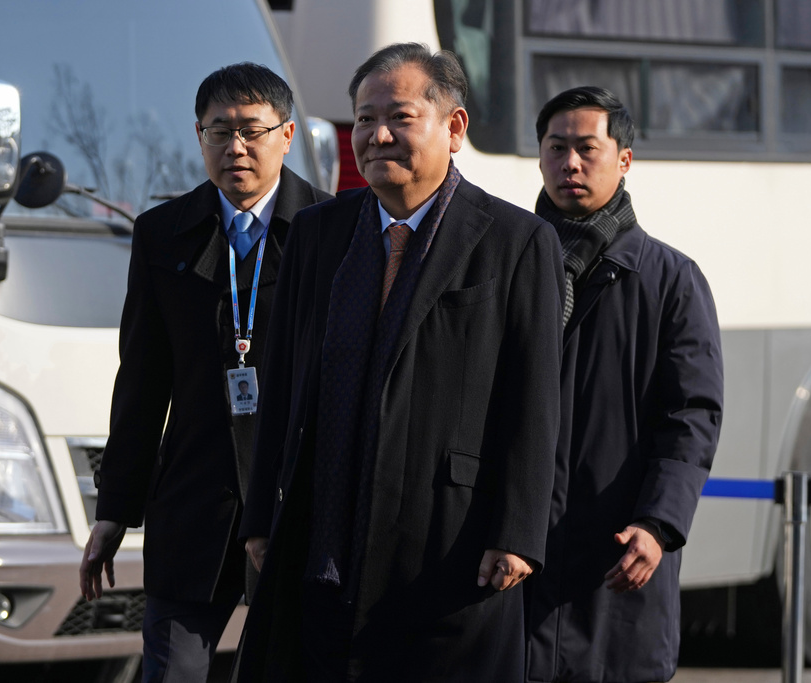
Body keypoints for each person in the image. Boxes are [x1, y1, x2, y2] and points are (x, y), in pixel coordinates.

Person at [232, 43, 564, 682]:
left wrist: (520, 530)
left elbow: (535, 396)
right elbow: (281, 385)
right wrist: (259, 517)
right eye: (362, 118)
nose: (377, 134)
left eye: (400, 117)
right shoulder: (317, 233)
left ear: (454, 127)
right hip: (320, 534)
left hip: (448, 538)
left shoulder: (516, 242)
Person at [78, 62, 330, 682]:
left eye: (252, 130)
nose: (235, 148)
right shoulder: (163, 233)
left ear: (287, 135)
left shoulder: (332, 230)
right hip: (194, 504)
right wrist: (115, 509)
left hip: (295, 504)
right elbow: (141, 381)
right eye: (219, 132)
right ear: (199, 136)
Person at [525, 86, 725, 683]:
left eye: (587, 148)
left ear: (625, 159)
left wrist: (658, 524)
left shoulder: (670, 280)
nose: (570, 164)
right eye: (556, 148)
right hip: (515, 572)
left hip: (616, 562)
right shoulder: (507, 264)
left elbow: (692, 416)